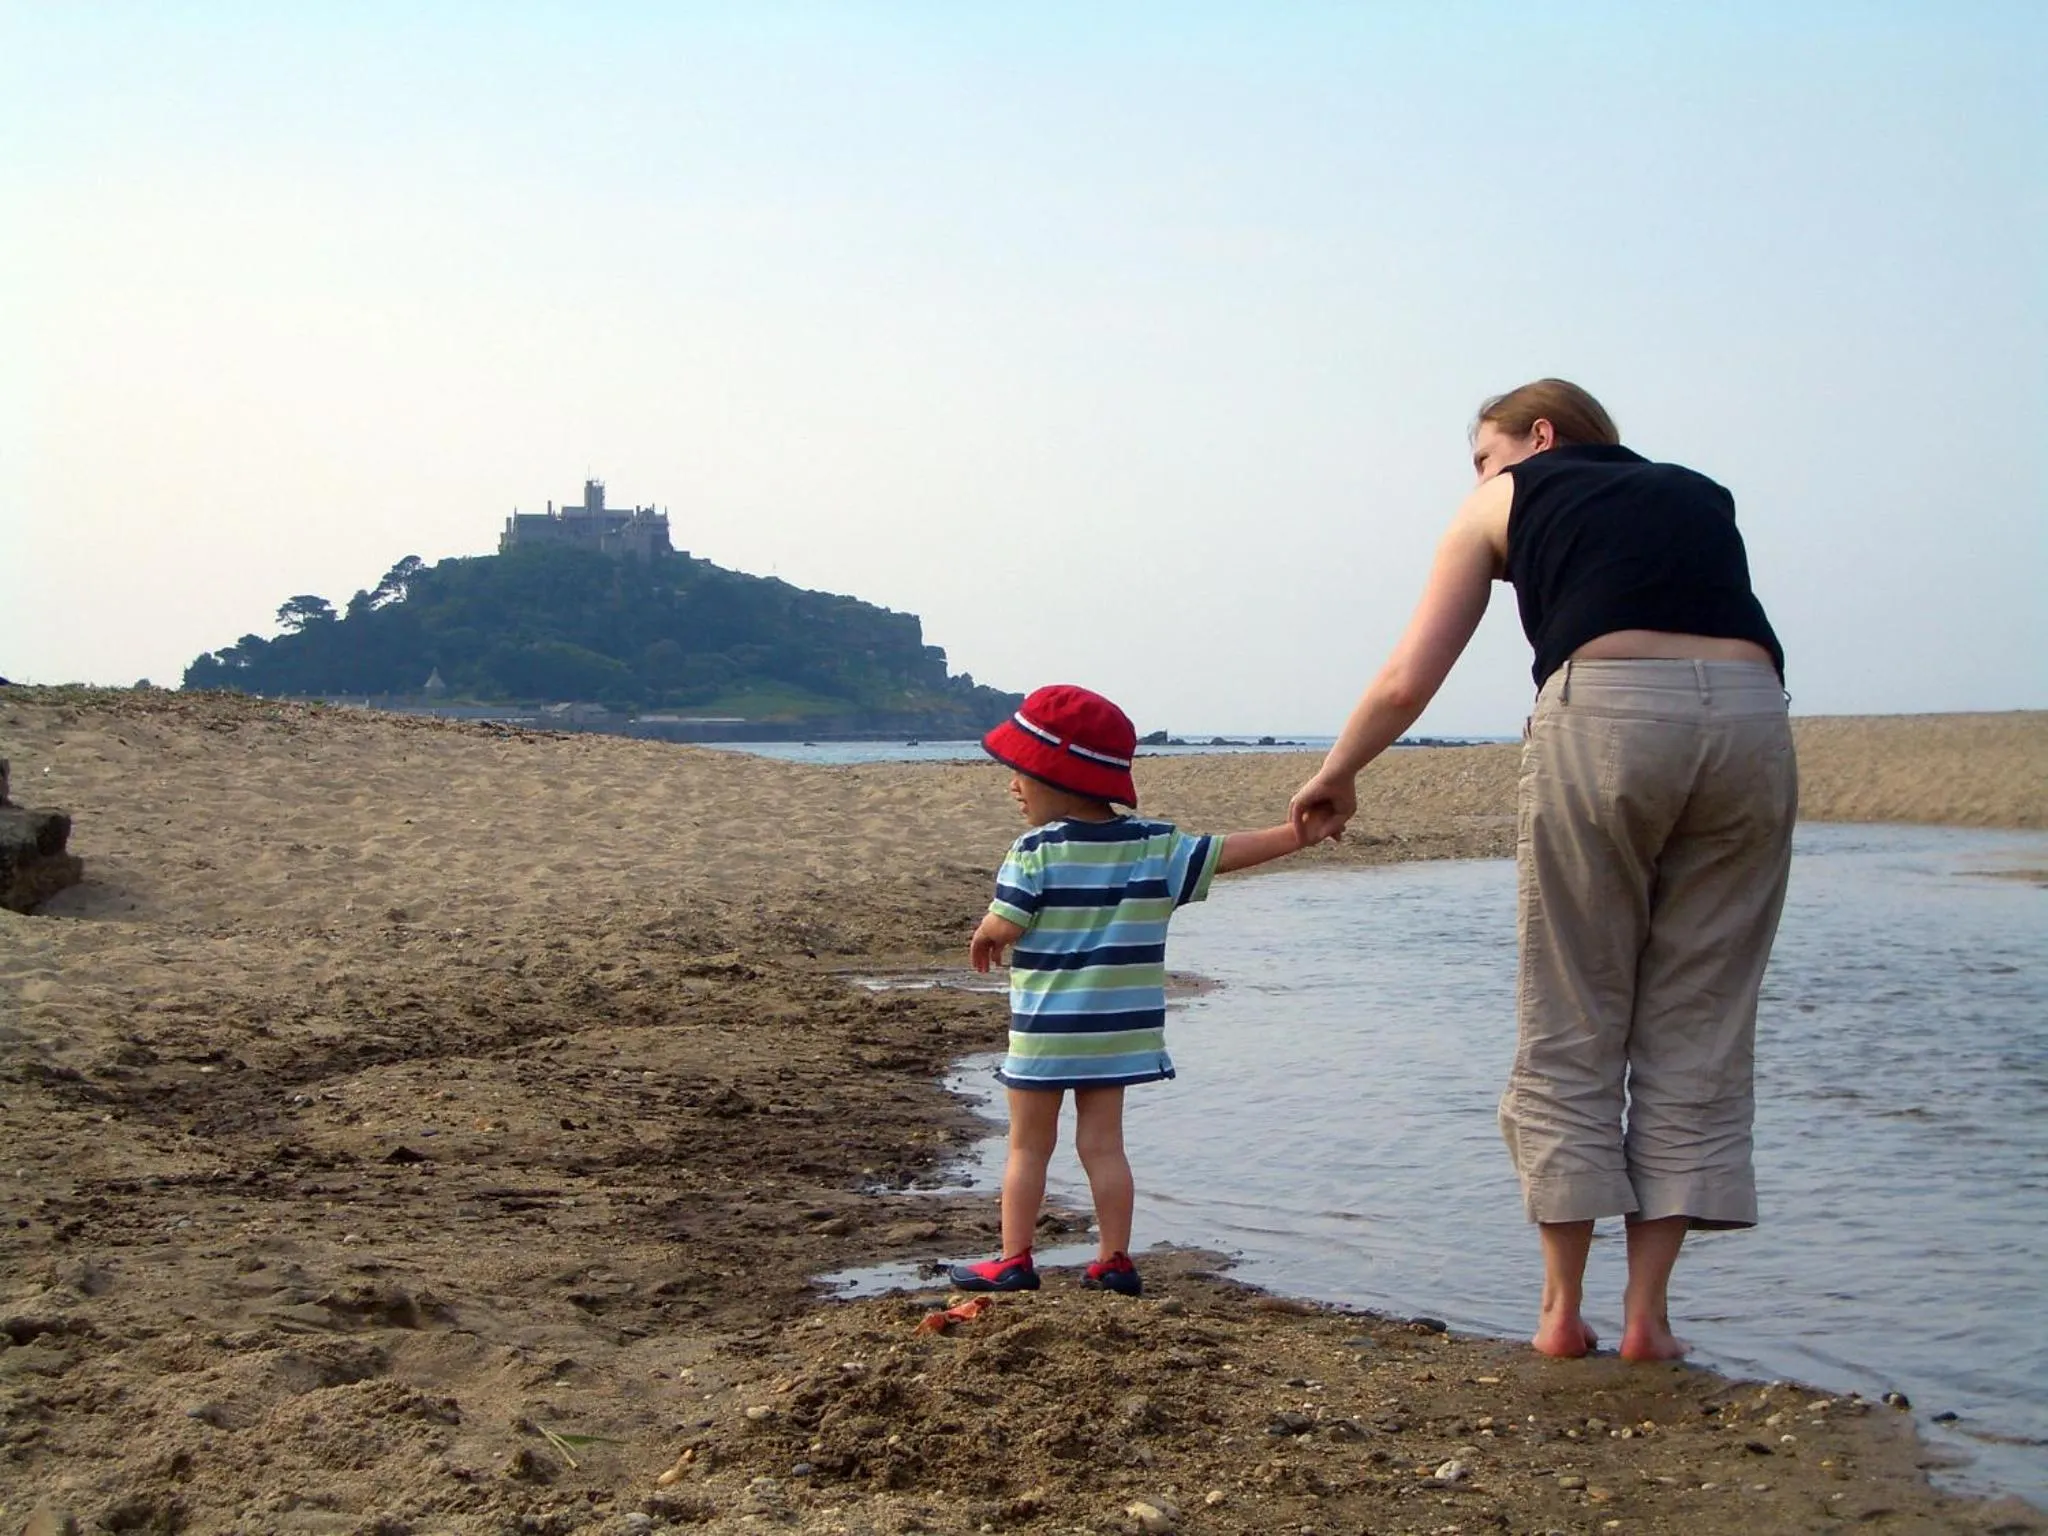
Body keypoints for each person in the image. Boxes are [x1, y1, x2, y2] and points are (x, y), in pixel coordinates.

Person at [1289, 379, 1797, 1362]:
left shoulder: (1504, 497)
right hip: (1751, 718)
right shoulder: (1698, 490)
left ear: (1540, 435)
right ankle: (1648, 1320)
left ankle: (1562, 1313)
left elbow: (1407, 677)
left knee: (1573, 1008)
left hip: (1608, 710)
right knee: (1699, 1020)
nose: (1477, 477)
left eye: (1482, 456)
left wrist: (1337, 771)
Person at [945, 683, 1304, 1296]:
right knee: (1104, 1147)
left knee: (1028, 1147)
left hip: (1045, 1033)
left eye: (1021, 772)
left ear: (1058, 777)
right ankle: (1113, 1260)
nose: (1013, 786)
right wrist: (1298, 833)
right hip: (1116, 1033)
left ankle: (1013, 1258)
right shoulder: (1155, 846)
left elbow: (1006, 923)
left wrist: (986, 933)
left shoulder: (1034, 851)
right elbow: (1225, 852)